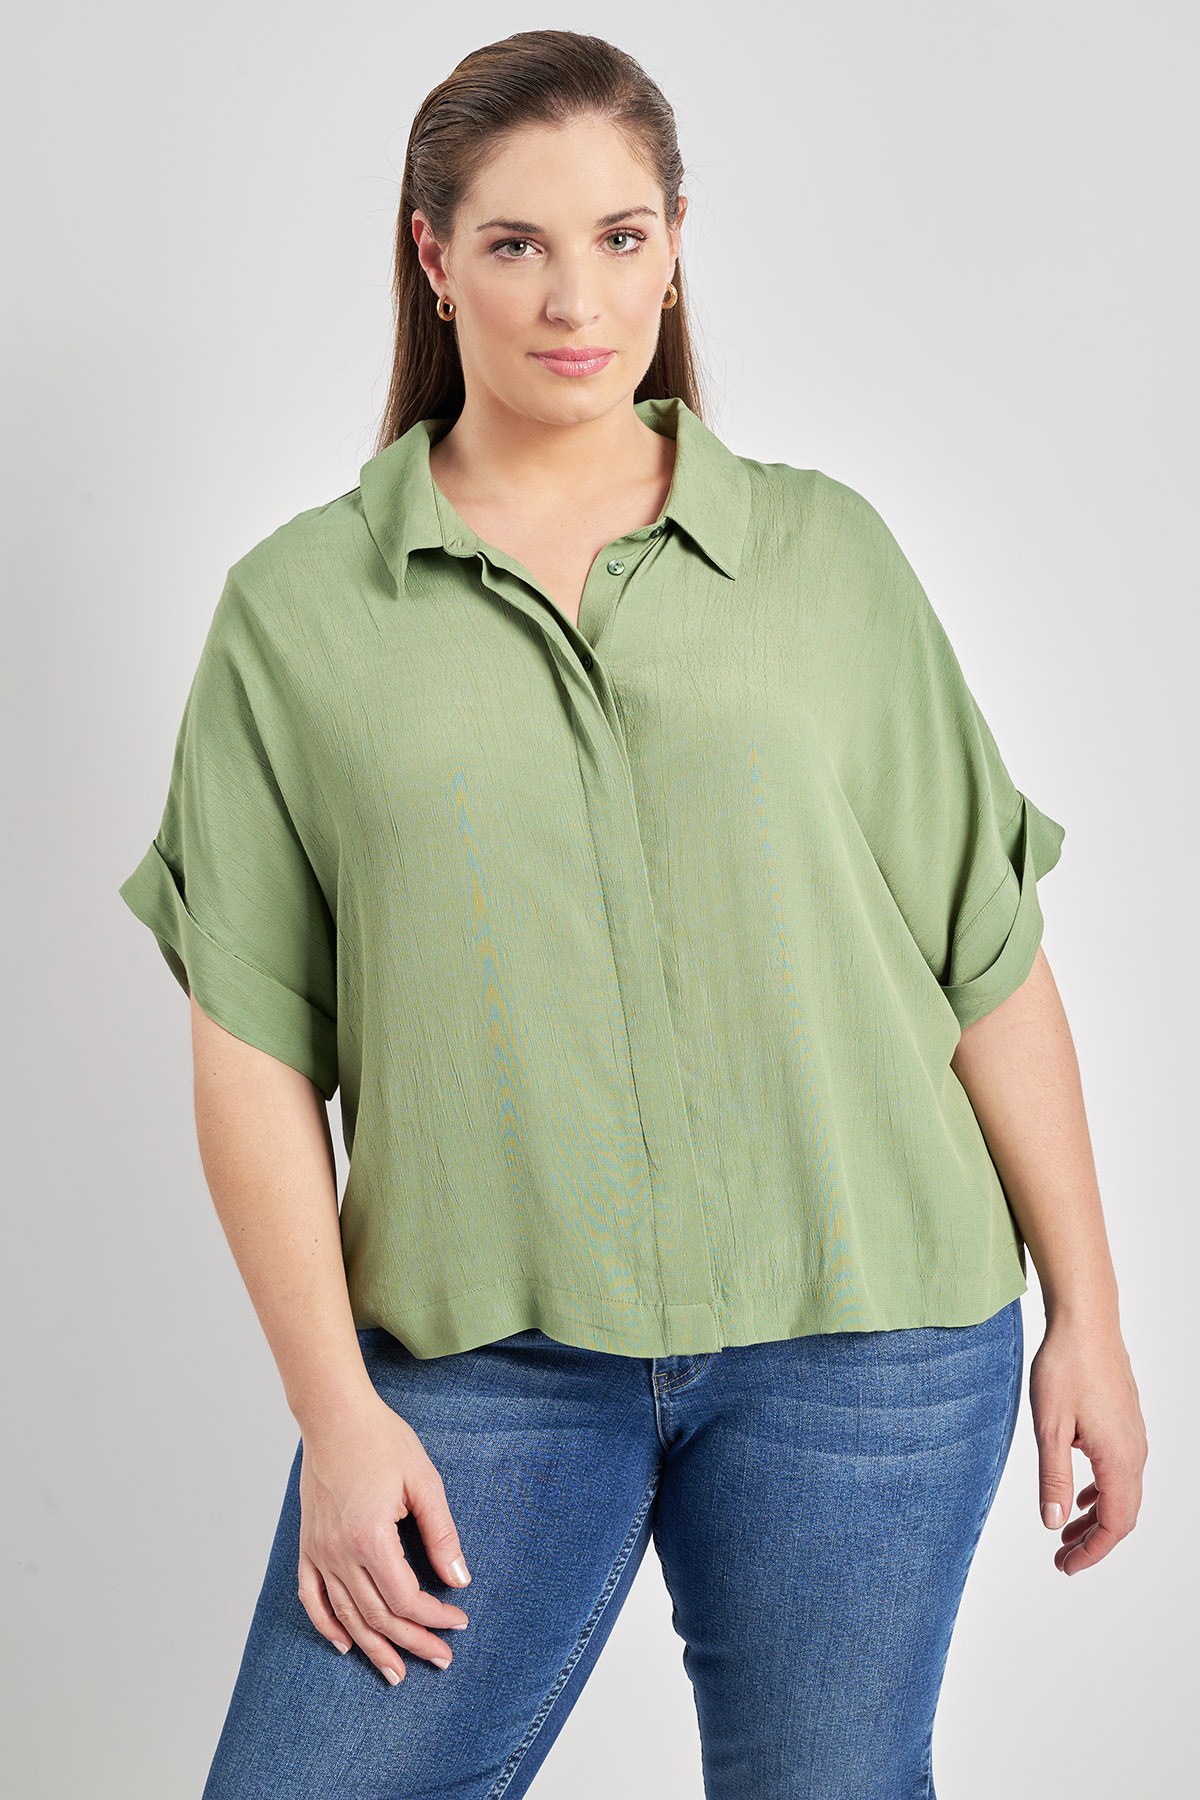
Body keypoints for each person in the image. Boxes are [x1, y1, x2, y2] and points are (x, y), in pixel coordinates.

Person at [117, 27, 1147, 1800]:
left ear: (675, 248)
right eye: (515, 242)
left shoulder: (828, 560)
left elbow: (986, 962)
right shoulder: (296, 614)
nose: (573, 296)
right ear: (434, 258)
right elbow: (252, 1049)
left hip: (871, 1338)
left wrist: (1092, 1320)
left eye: (619, 235)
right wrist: (336, 1415)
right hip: (482, 1360)